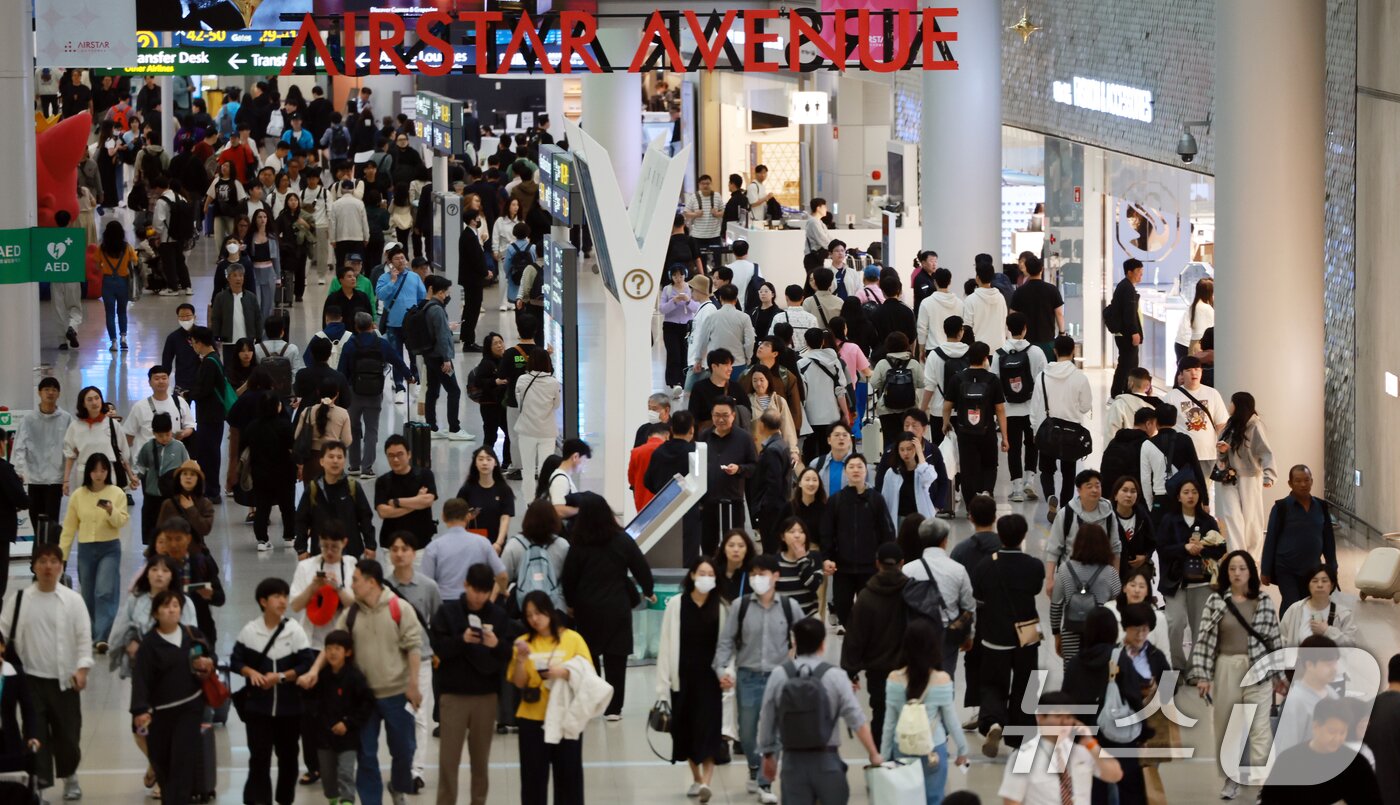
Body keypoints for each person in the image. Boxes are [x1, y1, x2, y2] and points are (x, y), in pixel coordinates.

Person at [297, 560, 423, 805]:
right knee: (366, 755)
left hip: (397, 693)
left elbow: (414, 647)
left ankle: (398, 786)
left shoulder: (400, 608)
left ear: (371, 582)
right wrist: (314, 670)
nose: (351, 584)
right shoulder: (351, 613)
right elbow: (334, 643)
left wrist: (414, 684)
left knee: (404, 750)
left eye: (355, 580)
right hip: (364, 699)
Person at [1188, 550, 1284, 797]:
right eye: (1232, 569)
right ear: (1225, 573)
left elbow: (1274, 640)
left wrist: (1278, 676)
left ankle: (1266, 785)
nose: (1237, 573)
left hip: (1258, 670)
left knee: (1260, 728)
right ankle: (1231, 779)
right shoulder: (1216, 602)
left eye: (1242, 568)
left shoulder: (1263, 602)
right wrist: (1203, 676)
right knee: (1227, 725)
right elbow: (1205, 640)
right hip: (1226, 668)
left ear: (1250, 571)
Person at [712, 554, 807, 802]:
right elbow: (726, 642)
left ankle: (765, 783)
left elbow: (807, 640)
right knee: (747, 731)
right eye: (753, 574)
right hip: (747, 677)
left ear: (776, 576)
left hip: (779, 677)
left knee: (773, 732)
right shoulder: (740, 606)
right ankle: (754, 766)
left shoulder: (789, 607)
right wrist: (722, 670)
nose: (757, 579)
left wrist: (804, 669)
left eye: (762, 574)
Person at [757, 618, 884, 803]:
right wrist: (873, 753)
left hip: (793, 763)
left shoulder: (780, 674)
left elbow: (767, 716)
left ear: (795, 643)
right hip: (828, 761)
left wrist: (768, 755)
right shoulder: (836, 677)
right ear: (822, 645)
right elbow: (856, 719)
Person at [0, 543, 92, 798]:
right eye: (42, 561)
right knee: (34, 735)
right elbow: (2, 633)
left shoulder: (73, 601)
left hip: (65, 682)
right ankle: (38, 786)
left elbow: (85, 639)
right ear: (34, 566)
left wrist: (83, 670)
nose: (48, 566)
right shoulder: (19, 600)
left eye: (53, 561)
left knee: (68, 736)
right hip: (30, 683)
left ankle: (71, 776)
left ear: (61, 566)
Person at [560, 494, 655, 719]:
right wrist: (648, 590)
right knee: (616, 657)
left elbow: (569, 578)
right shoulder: (622, 540)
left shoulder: (578, 544)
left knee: (590, 656)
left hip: (587, 607)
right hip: (617, 606)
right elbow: (641, 567)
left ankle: (594, 701)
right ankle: (614, 708)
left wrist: (571, 603)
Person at [430, 562, 516, 805]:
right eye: (474, 590)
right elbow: (437, 649)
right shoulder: (448, 613)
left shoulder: (498, 616)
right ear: (465, 584)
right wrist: (462, 640)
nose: (478, 597)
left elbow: (508, 653)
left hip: (485, 697)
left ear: (491, 591)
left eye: (484, 592)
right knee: (448, 761)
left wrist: (495, 644)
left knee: (480, 762)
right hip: (453, 695)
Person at [230, 577, 316, 805]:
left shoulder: (294, 630)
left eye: (284, 596)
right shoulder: (250, 631)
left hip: (290, 709)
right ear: (263, 601)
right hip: (258, 710)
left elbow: (306, 663)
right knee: (259, 760)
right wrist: (251, 673)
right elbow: (235, 661)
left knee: (289, 760)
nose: (283, 601)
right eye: (277, 596)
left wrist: (280, 677)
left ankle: (285, 800)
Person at [508, 590, 597, 805]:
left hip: (566, 718)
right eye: (529, 615)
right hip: (532, 717)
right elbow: (518, 683)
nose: (534, 619)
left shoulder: (572, 639)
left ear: (549, 610)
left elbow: (589, 673)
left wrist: (564, 672)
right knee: (533, 780)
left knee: (569, 778)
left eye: (538, 613)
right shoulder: (522, 642)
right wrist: (520, 660)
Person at [130, 591, 214, 805]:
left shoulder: (192, 634)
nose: (172, 609)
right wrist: (140, 710)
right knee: (162, 764)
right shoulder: (149, 644)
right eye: (166, 606)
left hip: (190, 708)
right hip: (160, 715)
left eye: (176, 605)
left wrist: (207, 663)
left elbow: (209, 656)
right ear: (156, 613)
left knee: (182, 761)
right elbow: (141, 679)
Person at [654, 556, 726, 801]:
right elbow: (666, 645)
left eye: (711, 574)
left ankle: (706, 782)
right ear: (693, 575)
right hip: (681, 680)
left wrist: (728, 673)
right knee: (684, 732)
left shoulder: (721, 607)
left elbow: (726, 646)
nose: (706, 578)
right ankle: (696, 778)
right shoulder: (676, 604)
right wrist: (662, 686)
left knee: (708, 731)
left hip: (710, 681)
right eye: (701, 573)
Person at [881, 618, 971, 805]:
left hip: (902, 747)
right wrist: (962, 749)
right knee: (934, 799)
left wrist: (883, 756)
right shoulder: (942, 679)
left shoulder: (894, 678)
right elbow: (951, 720)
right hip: (933, 748)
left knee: (904, 800)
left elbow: (889, 722)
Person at [382, 533, 442, 791]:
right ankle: (400, 766)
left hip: (423, 657)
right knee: (396, 717)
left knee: (418, 716)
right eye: (394, 549)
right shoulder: (382, 587)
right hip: (392, 660)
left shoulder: (428, 586)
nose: (399, 553)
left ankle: (416, 771)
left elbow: (437, 622)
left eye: (404, 548)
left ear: (413, 552)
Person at [997, 691, 1124, 804]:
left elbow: (1115, 775)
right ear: (1040, 717)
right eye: (1058, 716)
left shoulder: (1081, 750)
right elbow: (1011, 801)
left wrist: (1091, 743)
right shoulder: (1023, 757)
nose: (1064, 723)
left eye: (1069, 717)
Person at [59, 452, 129, 652]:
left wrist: (110, 511)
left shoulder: (116, 493)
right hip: (86, 549)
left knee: (105, 590)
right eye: (95, 470)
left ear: (108, 471)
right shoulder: (78, 495)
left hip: (110, 548)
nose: (99, 474)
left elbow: (121, 521)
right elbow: (69, 528)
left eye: (103, 470)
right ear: (88, 472)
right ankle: (91, 632)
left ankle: (102, 636)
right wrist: (62, 556)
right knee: (88, 593)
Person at [841, 543, 910, 742]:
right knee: (908, 717)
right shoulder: (911, 592)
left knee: (880, 714)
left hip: (878, 671)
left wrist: (850, 670)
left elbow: (855, 636)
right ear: (902, 563)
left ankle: (881, 762)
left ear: (877, 563)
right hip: (908, 670)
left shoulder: (866, 597)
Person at [822, 454, 895, 630]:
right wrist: (827, 557)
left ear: (866, 471)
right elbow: (827, 532)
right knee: (843, 609)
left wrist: (886, 560)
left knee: (870, 611)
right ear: (846, 472)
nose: (856, 470)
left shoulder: (876, 499)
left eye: (860, 466)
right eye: (851, 467)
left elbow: (887, 531)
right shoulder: (836, 501)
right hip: (843, 568)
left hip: (870, 567)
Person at [1262, 697, 1381, 804]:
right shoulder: (1289, 761)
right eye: (1332, 731)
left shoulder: (1357, 765)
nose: (1337, 738)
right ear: (1316, 726)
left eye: (1342, 732)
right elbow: (1270, 799)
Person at [338, 313, 414, 478]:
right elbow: (397, 360)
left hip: (354, 392)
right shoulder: (381, 344)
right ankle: (367, 468)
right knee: (372, 430)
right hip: (374, 391)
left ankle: (354, 465)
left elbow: (341, 371)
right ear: (372, 325)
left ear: (356, 327)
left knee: (354, 429)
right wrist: (409, 376)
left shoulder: (350, 344)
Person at [307, 628, 375, 805]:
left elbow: (366, 703)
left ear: (348, 652)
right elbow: (312, 701)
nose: (332, 652)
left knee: (346, 772)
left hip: (348, 737)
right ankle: (333, 799)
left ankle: (347, 801)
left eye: (337, 648)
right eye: (328, 648)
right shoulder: (320, 677)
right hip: (324, 737)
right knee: (328, 777)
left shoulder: (355, 677)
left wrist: (348, 723)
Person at [905, 513, 976, 680]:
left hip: (917, 633)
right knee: (944, 679)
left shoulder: (908, 570)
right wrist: (969, 635)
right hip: (947, 635)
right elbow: (969, 606)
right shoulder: (957, 569)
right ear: (944, 540)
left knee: (918, 679)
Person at [1029, 335, 1093, 516]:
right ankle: (1065, 509)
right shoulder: (1080, 377)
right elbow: (1085, 406)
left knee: (1046, 470)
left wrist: (1035, 429)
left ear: (1054, 351)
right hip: (1071, 432)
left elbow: (1034, 407)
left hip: (1048, 430)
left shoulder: (1042, 376)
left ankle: (1050, 496)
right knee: (1068, 473)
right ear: (1073, 352)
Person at [1262, 465, 1338, 614]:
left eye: (1306, 480)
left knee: (1308, 605)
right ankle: (1286, 635)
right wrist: (1265, 569)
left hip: (1312, 569)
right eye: (1298, 481)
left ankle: (1301, 635)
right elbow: (1271, 539)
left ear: (1312, 481)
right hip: (1286, 568)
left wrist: (1332, 565)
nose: (1303, 484)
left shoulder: (1321, 507)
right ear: (1290, 483)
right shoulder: (1281, 507)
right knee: (1292, 604)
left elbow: (1328, 539)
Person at [991, 312, 1049, 502]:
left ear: (1008, 328)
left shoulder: (999, 354)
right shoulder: (1036, 352)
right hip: (1032, 408)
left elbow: (995, 383)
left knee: (1013, 447)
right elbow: (1044, 380)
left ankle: (1016, 489)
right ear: (1025, 328)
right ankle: (1029, 482)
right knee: (1032, 445)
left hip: (1009, 409)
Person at [942, 341, 1008, 503]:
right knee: (990, 463)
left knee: (967, 467)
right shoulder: (992, 380)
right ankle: (986, 491)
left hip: (964, 430)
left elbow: (947, 405)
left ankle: (971, 503)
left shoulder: (957, 378)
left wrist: (945, 423)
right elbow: (1000, 409)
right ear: (986, 358)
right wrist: (1005, 436)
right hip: (987, 430)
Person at [1213, 392, 1276, 554]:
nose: (1229, 406)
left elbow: (1265, 452)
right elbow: (1223, 454)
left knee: (1251, 518)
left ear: (1238, 405)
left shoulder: (1255, 425)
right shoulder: (1230, 425)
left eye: (1231, 402)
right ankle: (1237, 554)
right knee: (1232, 516)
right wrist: (1224, 450)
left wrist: (1269, 475)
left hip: (1250, 476)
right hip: (1229, 476)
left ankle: (1251, 557)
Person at [1049, 523, 1122, 662]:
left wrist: (1057, 634)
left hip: (1071, 633)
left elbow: (1056, 606)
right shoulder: (1110, 573)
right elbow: (1119, 605)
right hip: (1102, 636)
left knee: (1073, 676)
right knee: (1099, 678)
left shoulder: (1065, 569)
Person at [697, 399, 757, 557]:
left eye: (725, 415)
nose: (720, 419)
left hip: (732, 501)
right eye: (716, 415)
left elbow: (754, 467)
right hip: (708, 502)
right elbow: (696, 466)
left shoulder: (744, 438)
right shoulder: (704, 436)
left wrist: (739, 469)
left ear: (733, 415)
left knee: (734, 547)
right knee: (708, 547)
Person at [1162, 356, 1228, 490]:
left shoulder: (1212, 393)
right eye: (1189, 370)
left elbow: (1221, 423)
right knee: (1184, 491)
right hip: (1182, 454)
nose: (1194, 373)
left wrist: (1223, 445)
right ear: (1180, 374)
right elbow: (1164, 427)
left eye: (1197, 369)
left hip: (1207, 453)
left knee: (1203, 492)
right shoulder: (1171, 397)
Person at [240, 393, 296, 550]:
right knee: (287, 506)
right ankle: (289, 537)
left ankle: (262, 540)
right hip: (284, 472)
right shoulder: (285, 425)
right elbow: (293, 448)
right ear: (277, 407)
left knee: (262, 506)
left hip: (260, 473)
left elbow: (244, 449)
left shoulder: (252, 426)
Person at [15, 376, 72, 529]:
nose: (50, 393)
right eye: (46, 389)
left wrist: (67, 478)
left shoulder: (66, 418)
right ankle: (39, 551)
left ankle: (51, 551)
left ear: (58, 394)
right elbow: (19, 446)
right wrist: (20, 472)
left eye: (54, 390)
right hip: (34, 479)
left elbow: (71, 448)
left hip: (55, 479)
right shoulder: (28, 419)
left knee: (52, 521)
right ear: (39, 393)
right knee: (35, 520)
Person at [182, 327, 230, 500]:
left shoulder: (209, 362)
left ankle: (211, 490)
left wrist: (188, 394)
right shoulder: (214, 359)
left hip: (209, 416)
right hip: (213, 415)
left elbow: (205, 390)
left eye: (194, 342)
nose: (193, 346)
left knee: (208, 454)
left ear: (200, 343)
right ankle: (211, 488)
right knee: (210, 452)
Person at [418, 275, 467, 438]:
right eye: (446, 292)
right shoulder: (437, 309)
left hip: (430, 356)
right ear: (439, 292)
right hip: (440, 358)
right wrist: (446, 359)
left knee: (432, 390)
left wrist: (447, 327)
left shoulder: (428, 307)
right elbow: (440, 336)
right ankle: (454, 428)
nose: (447, 295)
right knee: (454, 391)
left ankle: (431, 427)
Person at [131, 413, 189, 545]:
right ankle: (152, 546)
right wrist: (135, 478)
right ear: (154, 433)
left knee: (171, 523)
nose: (164, 439)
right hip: (152, 493)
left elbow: (187, 467)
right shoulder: (148, 447)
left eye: (167, 434)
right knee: (152, 521)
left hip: (171, 494)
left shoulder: (179, 447)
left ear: (171, 431)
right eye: (160, 436)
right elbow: (140, 466)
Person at [797, 329, 852, 462]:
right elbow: (840, 390)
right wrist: (845, 413)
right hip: (832, 414)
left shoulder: (801, 363)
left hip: (811, 415)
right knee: (828, 451)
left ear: (806, 342)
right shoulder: (834, 361)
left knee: (809, 451)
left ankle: (811, 479)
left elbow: (802, 392)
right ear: (823, 341)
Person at [515, 349, 563, 486]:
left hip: (526, 430)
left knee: (528, 469)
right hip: (546, 431)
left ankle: (529, 502)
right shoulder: (553, 383)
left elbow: (520, 405)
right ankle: (544, 501)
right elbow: (556, 405)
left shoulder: (521, 380)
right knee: (545, 469)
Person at [1280, 565, 1358, 648]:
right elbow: (1281, 639)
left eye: (1324, 581)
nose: (1320, 585)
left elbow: (1351, 646)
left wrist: (1327, 631)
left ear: (1332, 585)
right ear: (1308, 585)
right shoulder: (1295, 610)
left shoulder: (1343, 614)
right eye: (1314, 581)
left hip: (1333, 660)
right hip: (1298, 659)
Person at [748, 411, 793, 553]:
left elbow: (773, 483)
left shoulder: (772, 450)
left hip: (772, 511)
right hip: (779, 506)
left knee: (770, 549)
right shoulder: (781, 444)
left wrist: (763, 507)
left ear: (761, 425)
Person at [870, 332, 925, 444]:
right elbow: (922, 383)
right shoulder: (913, 363)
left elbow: (874, 384)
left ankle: (891, 460)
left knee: (889, 441)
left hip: (886, 409)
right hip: (910, 407)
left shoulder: (882, 364)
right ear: (906, 345)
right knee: (909, 441)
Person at [293, 383, 353, 482]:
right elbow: (347, 441)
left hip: (311, 461)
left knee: (312, 494)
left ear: (318, 392)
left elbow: (297, 436)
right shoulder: (343, 413)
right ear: (337, 394)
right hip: (332, 460)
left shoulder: (307, 411)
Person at [1009, 255, 1064, 358]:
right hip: (1047, 340)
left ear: (1028, 271)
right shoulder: (1052, 290)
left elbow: (1012, 315)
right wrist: (1062, 333)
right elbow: (1059, 314)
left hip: (1026, 341)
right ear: (1042, 269)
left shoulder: (1020, 291)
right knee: (1047, 370)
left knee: (1028, 370)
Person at [880, 431, 941, 522]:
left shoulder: (923, 470)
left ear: (916, 449)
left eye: (909, 449)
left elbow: (928, 478)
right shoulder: (891, 473)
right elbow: (885, 499)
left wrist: (920, 453)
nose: (905, 453)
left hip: (921, 519)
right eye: (902, 449)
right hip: (899, 519)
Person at [660, 265, 702, 391]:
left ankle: (684, 381)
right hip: (670, 326)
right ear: (671, 276)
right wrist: (674, 301)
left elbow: (697, 308)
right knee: (674, 354)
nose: (678, 279)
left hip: (687, 326)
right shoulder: (667, 289)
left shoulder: (690, 289)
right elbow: (662, 309)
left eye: (681, 275)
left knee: (686, 354)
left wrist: (688, 300)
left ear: (685, 275)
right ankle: (673, 381)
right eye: (675, 276)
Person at [95, 221, 136, 351]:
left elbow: (97, 265)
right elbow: (135, 261)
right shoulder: (127, 247)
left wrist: (104, 267)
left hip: (107, 282)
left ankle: (113, 342)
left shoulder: (102, 248)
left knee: (110, 313)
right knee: (122, 311)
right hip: (123, 282)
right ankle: (123, 338)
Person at [1108, 258, 1145, 397]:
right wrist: (1134, 332)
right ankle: (1119, 393)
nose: (1141, 274)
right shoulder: (1127, 288)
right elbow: (1129, 314)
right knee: (1127, 365)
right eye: (1138, 272)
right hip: (1127, 334)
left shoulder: (1125, 286)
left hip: (1123, 333)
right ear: (1129, 272)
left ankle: (1122, 392)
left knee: (1126, 364)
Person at [774, 517, 825, 617]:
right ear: (783, 537)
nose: (797, 535)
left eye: (801, 532)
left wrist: (802, 559)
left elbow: (813, 586)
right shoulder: (774, 561)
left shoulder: (815, 557)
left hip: (808, 617)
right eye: (791, 532)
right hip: (782, 618)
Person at [689, 348, 746, 433]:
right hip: (708, 436)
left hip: (733, 436)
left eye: (731, 365)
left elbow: (747, 411)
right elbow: (693, 416)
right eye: (726, 365)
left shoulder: (736, 387)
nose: (730, 369)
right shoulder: (699, 387)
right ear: (714, 367)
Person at [1104, 368, 1159, 442]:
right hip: (1148, 450)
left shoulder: (1119, 404)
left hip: (1125, 450)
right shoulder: (1156, 406)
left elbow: (1111, 432)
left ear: (1130, 383)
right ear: (1148, 386)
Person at [1175, 276, 1215, 369]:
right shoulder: (1205, 308)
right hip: (1193, 344)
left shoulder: (1195, 305)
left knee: (1185, 371)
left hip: (1186, 343)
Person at [331, 182, 370, 269]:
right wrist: (366, 237)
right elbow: (364, 222)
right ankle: (357, 281)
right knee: (357, 264)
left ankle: (340, 282)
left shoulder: (335, 204)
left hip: (341, 238)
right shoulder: (360, 203)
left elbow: (333, 223)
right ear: (353, 190)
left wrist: (332, 239)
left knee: (341, 264)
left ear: (341, 190)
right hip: (357, 238)